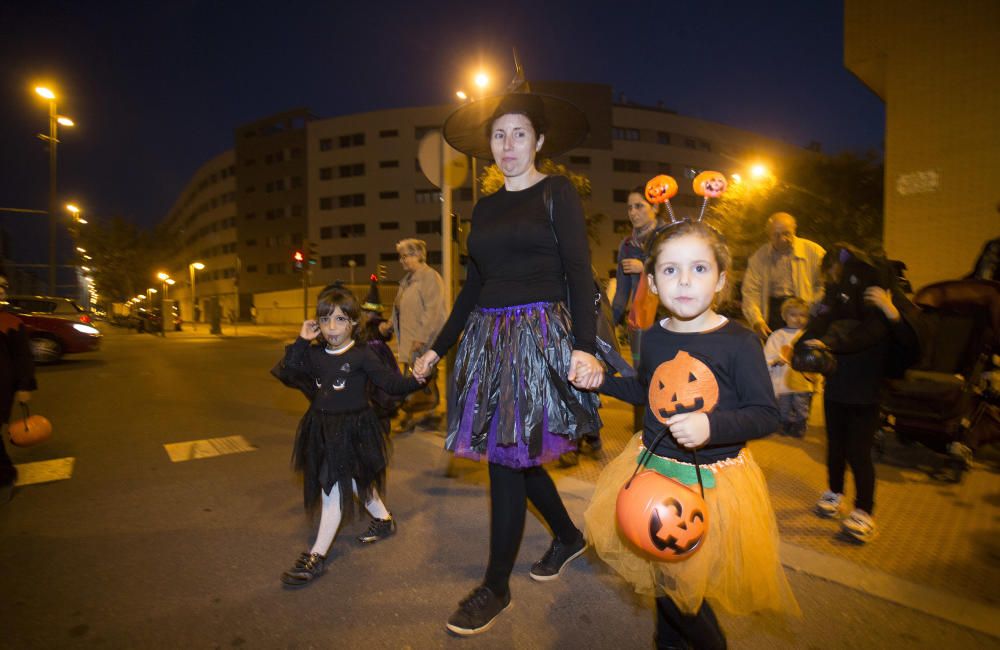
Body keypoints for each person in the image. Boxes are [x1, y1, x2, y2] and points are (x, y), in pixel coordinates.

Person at [412, 83, 604, 636]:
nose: (508, 144)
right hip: (487, 342)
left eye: (519, 134)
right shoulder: (486, 206)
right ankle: (568, 536)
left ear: (538, 140)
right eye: (499, 135)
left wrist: (584, 347)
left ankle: (496, 586)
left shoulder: (557, 193)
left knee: (505, 456)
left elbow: (578, 273)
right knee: (517, 454)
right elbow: (473, 287)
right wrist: (436, 348)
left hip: (537, 339)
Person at [581, 221, 799, 649]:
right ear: (653, 284)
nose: (684, 280)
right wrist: (600, 380)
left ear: (720, 279)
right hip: (653, 473)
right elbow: (648, 390)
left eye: (698, 269)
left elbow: (765, 415)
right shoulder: (656, 336)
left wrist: (711, 426)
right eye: (670, 270)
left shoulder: (738, 343)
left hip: (713, 484)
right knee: (665, 582)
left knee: (683, 593)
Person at [270, 287, 424, 586]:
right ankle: (383, 520)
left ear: (353, 322)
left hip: (355, 429)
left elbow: (391, 384)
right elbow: (288, 372)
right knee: (356, 479)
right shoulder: (314, 354)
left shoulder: (363, 355)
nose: (331, 328)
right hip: (322, 429)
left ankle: (316, 556)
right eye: (325, 320)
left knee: (332, 489)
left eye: (340, 320)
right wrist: (302, 339)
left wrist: (418, 379)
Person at [796, 244, 917, 543]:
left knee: (859, 453)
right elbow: (819, 324)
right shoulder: (837, 299)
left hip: (866, 392)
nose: (836, 279)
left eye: (838, 271)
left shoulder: (880, 302)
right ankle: (834, 492)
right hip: (837, 386)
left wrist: (891, 311)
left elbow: (904, 342)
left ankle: (865, 511)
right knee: (835, 447)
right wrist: (805, 346)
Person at [610, 184, 668, 434]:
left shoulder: (669, 236)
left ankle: (666, 426)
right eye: (630, 207)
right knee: (639, 374)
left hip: (667, 316)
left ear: (655, 207)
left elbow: (677, 268)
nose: (633, 213)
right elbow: (622, 291)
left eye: (639, 206)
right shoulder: (626, 245)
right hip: (639, 320)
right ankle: (641, 429)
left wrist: (645, 265)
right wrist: (609, 321)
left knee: (667, 372)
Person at [389, 238, 447, 430]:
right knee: (416, 377)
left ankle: (413, 415)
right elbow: (399, 308)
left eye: (405, 256)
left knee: (417, 378)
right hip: (409, 339)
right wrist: (388, 325)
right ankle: (426, 411)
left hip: (423, 340)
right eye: (401, 257)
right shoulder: (406, 282)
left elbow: (433, 311)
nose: (402, 260)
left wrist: (421, 338)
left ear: (418, 255)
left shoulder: (429, 277)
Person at [741, 212, 826, 339]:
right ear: (768, 235)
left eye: (787, 233)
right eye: (776, 235)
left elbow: (825, 285)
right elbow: (751, 292)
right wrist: (757, 321)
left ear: (794, 230)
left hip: (805, 309)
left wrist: (810, 308)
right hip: (774, 312)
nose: (782, 239)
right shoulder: (759, 258)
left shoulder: (814, 252)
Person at [0, 273, 37, 503]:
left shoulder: (10, 322)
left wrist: (25, 385)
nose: (2, 290)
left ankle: (5, 477)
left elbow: (23, 357)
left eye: (3, 285)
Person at [357, 275, 404, 435]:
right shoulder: (361, 326)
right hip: (364, 361)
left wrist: (390, 323)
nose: (367, 314)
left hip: (379, 361)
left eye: (369, 311)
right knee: (366, 394)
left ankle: (379, 426)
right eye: (365, 311)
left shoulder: (379, 324)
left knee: (379, 393)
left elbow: (386, 328)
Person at [763, 297, 816, 437]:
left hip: (802, 378)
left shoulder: (808, 335)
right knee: (783, 403)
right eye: (793, 315)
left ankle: (800, 424)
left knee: (801, 403)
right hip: (783, 377)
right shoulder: (778, 335)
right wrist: (775, 360)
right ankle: (784, 422)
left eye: (802, 315)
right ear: (784, 316)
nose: (798, 319)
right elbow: (769, 354)